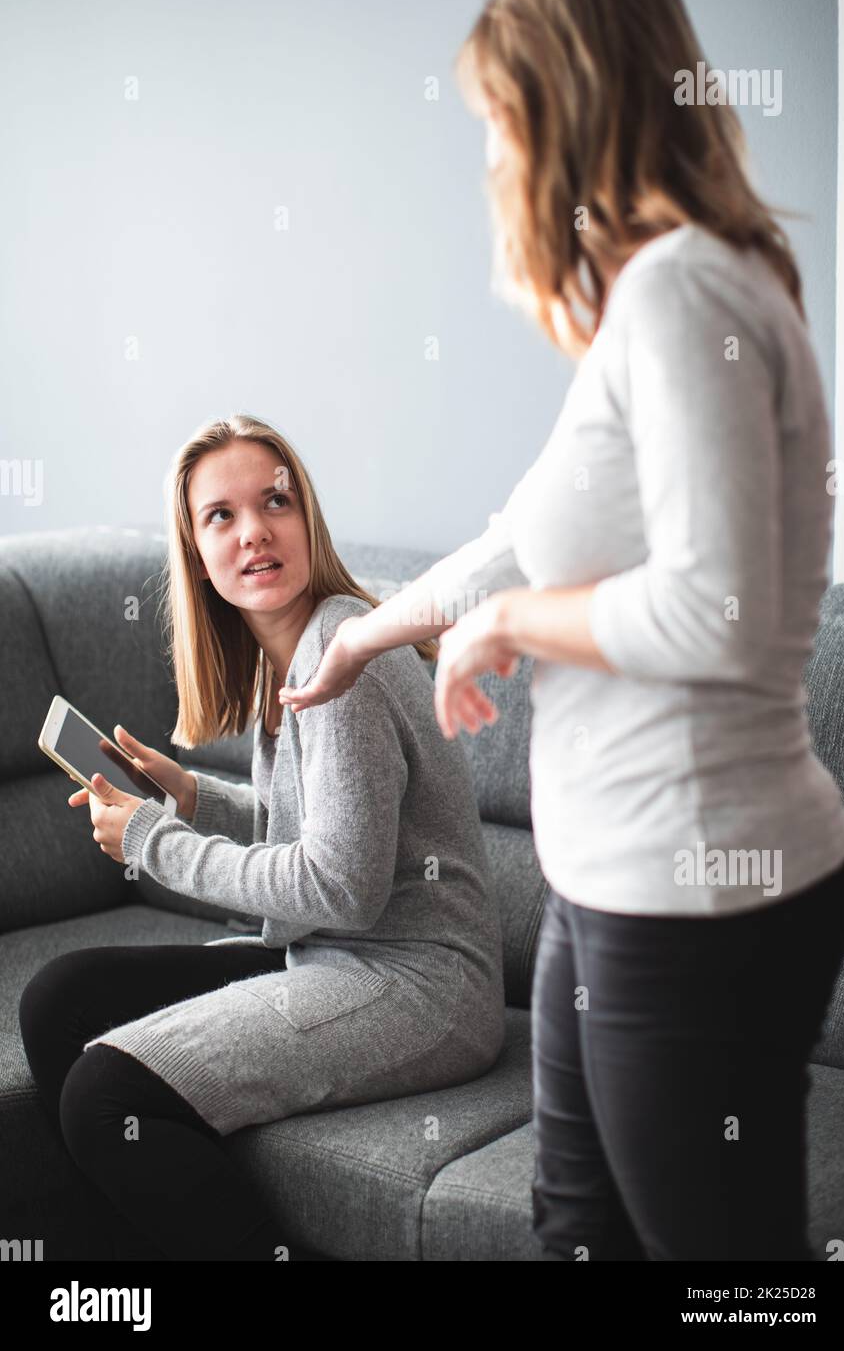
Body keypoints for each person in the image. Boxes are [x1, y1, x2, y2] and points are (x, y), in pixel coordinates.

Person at [276, 0, 844, 1261]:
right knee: (576, 1227)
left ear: (564, 105)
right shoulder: (680, 289)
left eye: (499, 119)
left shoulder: (680, 295)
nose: (490, 154)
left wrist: (511, 627)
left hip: (694, 892)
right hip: (615, 883)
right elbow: (521, 539)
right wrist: (369, 631)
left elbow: (713, 610)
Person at [18, 415, 505, 1261]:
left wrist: (149, 841)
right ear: (195, 550)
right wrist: (193, 797)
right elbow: (324, 829)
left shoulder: (339, 661)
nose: (254, 532)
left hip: (421, 987)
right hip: (340, 956)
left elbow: (339, 889)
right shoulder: (303, 654)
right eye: (221, 516)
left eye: (275, 500)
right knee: (62, 998)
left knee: (107, 1093)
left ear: (305, 517)